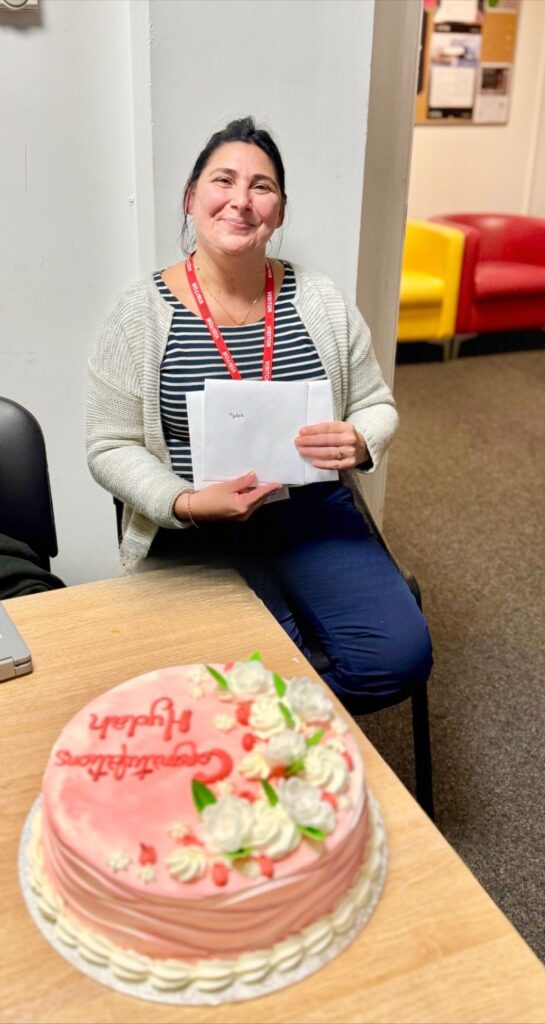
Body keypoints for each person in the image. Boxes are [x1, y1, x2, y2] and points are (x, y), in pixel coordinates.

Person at [86, 116, 432, 712]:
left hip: (309, 514)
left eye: (262, 186)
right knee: (259, 670)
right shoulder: (137, 315)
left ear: (280, 210)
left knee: (398, 658)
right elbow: (109, 445)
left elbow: (377, 404)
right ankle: (266, 739)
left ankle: (272, 733)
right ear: (192, 198)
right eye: (224, 181)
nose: (241, 201)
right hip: (196, 529)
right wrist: (185, 503)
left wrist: (360, 439)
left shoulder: (320, 300)